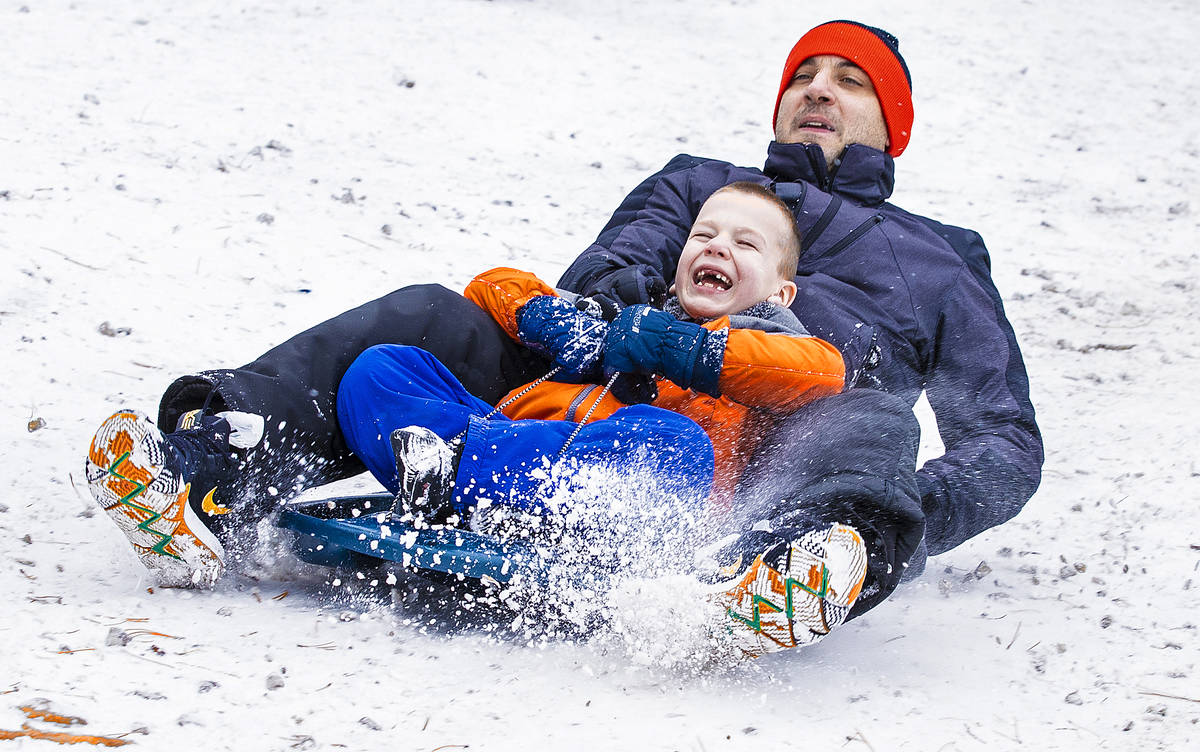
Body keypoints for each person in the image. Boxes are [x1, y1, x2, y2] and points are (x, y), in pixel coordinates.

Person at [84, 20, 1041, 650]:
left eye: (849, 81)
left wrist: (902, 519)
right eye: (805, 76)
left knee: (867, 418)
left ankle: (798, 570)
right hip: (607, 391)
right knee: (429, 317)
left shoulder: (940, 259)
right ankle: (209, 474)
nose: (819, 91)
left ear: (893, 124)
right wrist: (635, 324)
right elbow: (601, 275)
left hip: (769, 449)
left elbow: (1003, 443)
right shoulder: (702, 181)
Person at [334, 182, 861, 655]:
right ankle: (451, 473)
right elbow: (492, 283)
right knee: (384, 368)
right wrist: (546, 319)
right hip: (507, 445)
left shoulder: (776, 344)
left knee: (677, 440)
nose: (718, 246)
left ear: (780, 291)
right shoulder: (627, 312)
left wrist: (684, 350)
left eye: (746, 244)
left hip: (617, 502)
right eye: (704, 235)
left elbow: (821, 373)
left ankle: (451, 474)